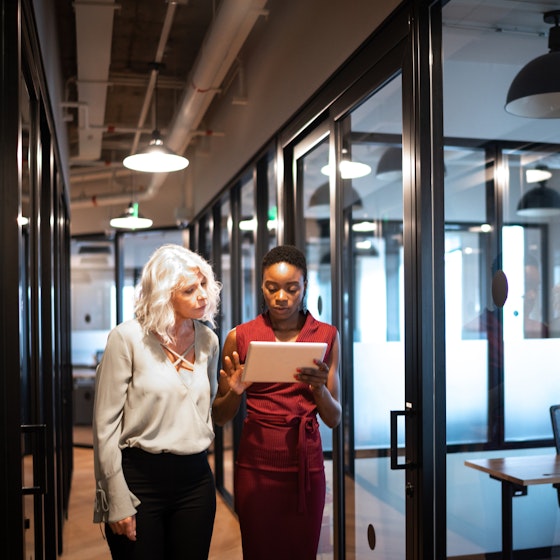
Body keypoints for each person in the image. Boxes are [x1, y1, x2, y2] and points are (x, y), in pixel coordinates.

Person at [92, 244, 221, 560]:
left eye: (204, 284)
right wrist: (114, 496)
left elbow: (205, 411)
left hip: (196, 480)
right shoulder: (127, 339)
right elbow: (105, 427)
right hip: (140, 478)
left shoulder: (208, 341)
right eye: (190, 290)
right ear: (164, 295)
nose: (202, 295)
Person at [212, 245, 342, 560]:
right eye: (272, 288)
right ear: (262, 287)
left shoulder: (325, 336)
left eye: (291, 288)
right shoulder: (240, 337)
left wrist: (319, 390)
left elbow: (335, 418)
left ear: (305, 287)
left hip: (305, 464)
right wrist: (236, 391)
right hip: (257, 465)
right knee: (259, 551)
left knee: (302, 551)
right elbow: (218, 415)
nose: (281, 297)